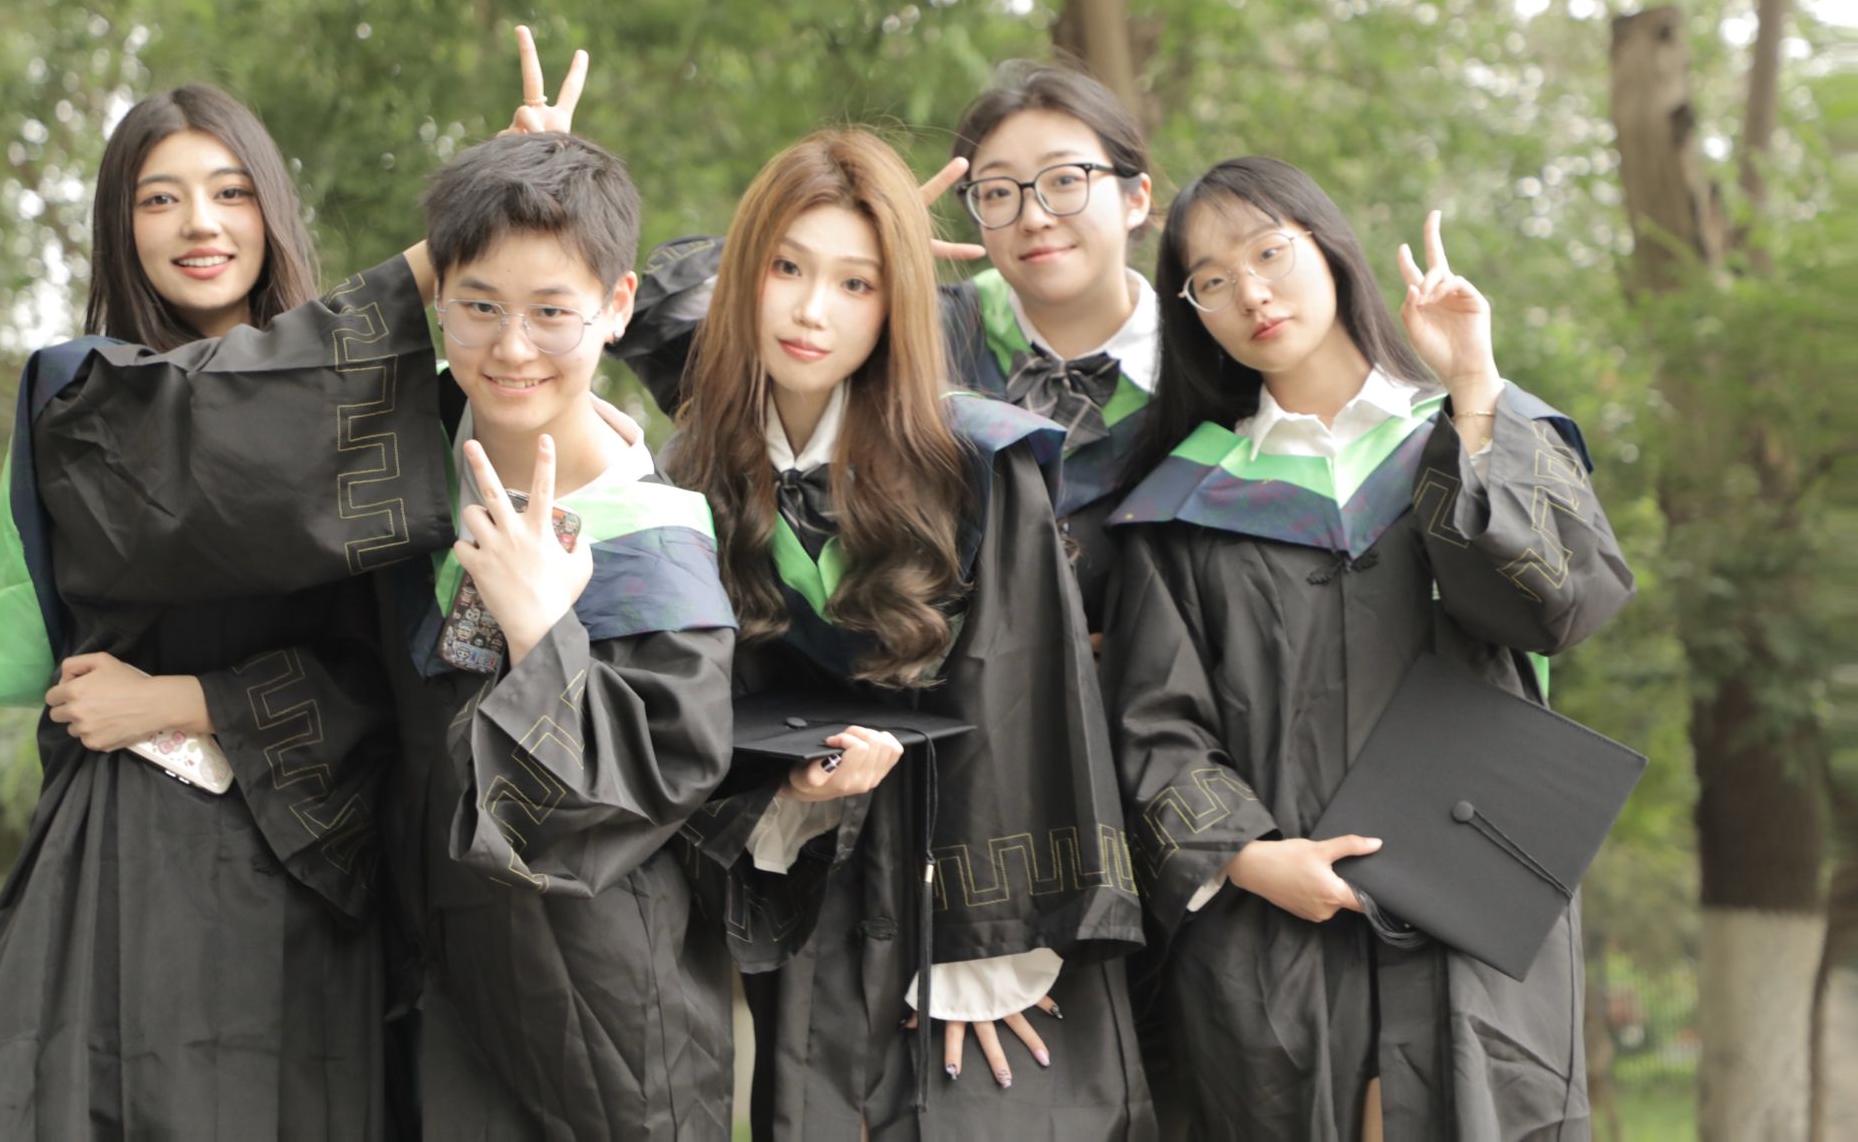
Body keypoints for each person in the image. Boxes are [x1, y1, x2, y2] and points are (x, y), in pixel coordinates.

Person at [1099, 156, 1636, 1139]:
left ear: (1329, 249)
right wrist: (1250, 857)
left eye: (1269, 252)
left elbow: (1560, 608)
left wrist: (1473, 385)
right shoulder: (1185, 504)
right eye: (1211, 279)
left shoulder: (1465, 432)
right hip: (1275, 934)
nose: (1250, 292)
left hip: (1468, 900)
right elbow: (1150, 724)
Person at [664, 129, 1154, 1141]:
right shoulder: (695, 473)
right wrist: (782, 799)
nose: (812, 311)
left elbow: (1027, 688)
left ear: (898, 305)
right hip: (813, 874)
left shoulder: (976, 461)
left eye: (857, 282)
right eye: (787, 268)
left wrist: (987, 944)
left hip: (972, 885)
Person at [0, 83, 424, 1138]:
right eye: (159, 199)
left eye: (229, 192)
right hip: (135, 849)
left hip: (310, 860)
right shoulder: (85, 398)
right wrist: (429, 262)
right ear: (120, 228)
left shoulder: (370, 427)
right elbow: (208, 438)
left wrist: (189, 697)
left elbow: (384, 674)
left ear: (271, 209)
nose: (200, 225)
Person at [399, 130, 740, 1139]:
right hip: (416, 994)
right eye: (480, 307)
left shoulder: (654, 533)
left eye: (552, 311)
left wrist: (542, 626)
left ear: (617, 305)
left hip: (600, 1020)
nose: (512, 348)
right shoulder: (403, 479)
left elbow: (658, 777)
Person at [613, 60, 1156, 634]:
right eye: (999, 191)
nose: (1035, 215)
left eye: (1065, 179)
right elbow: (675, 333)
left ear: (1136, 196)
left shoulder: (1203, 365)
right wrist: (856, 235)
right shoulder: (917, 328)